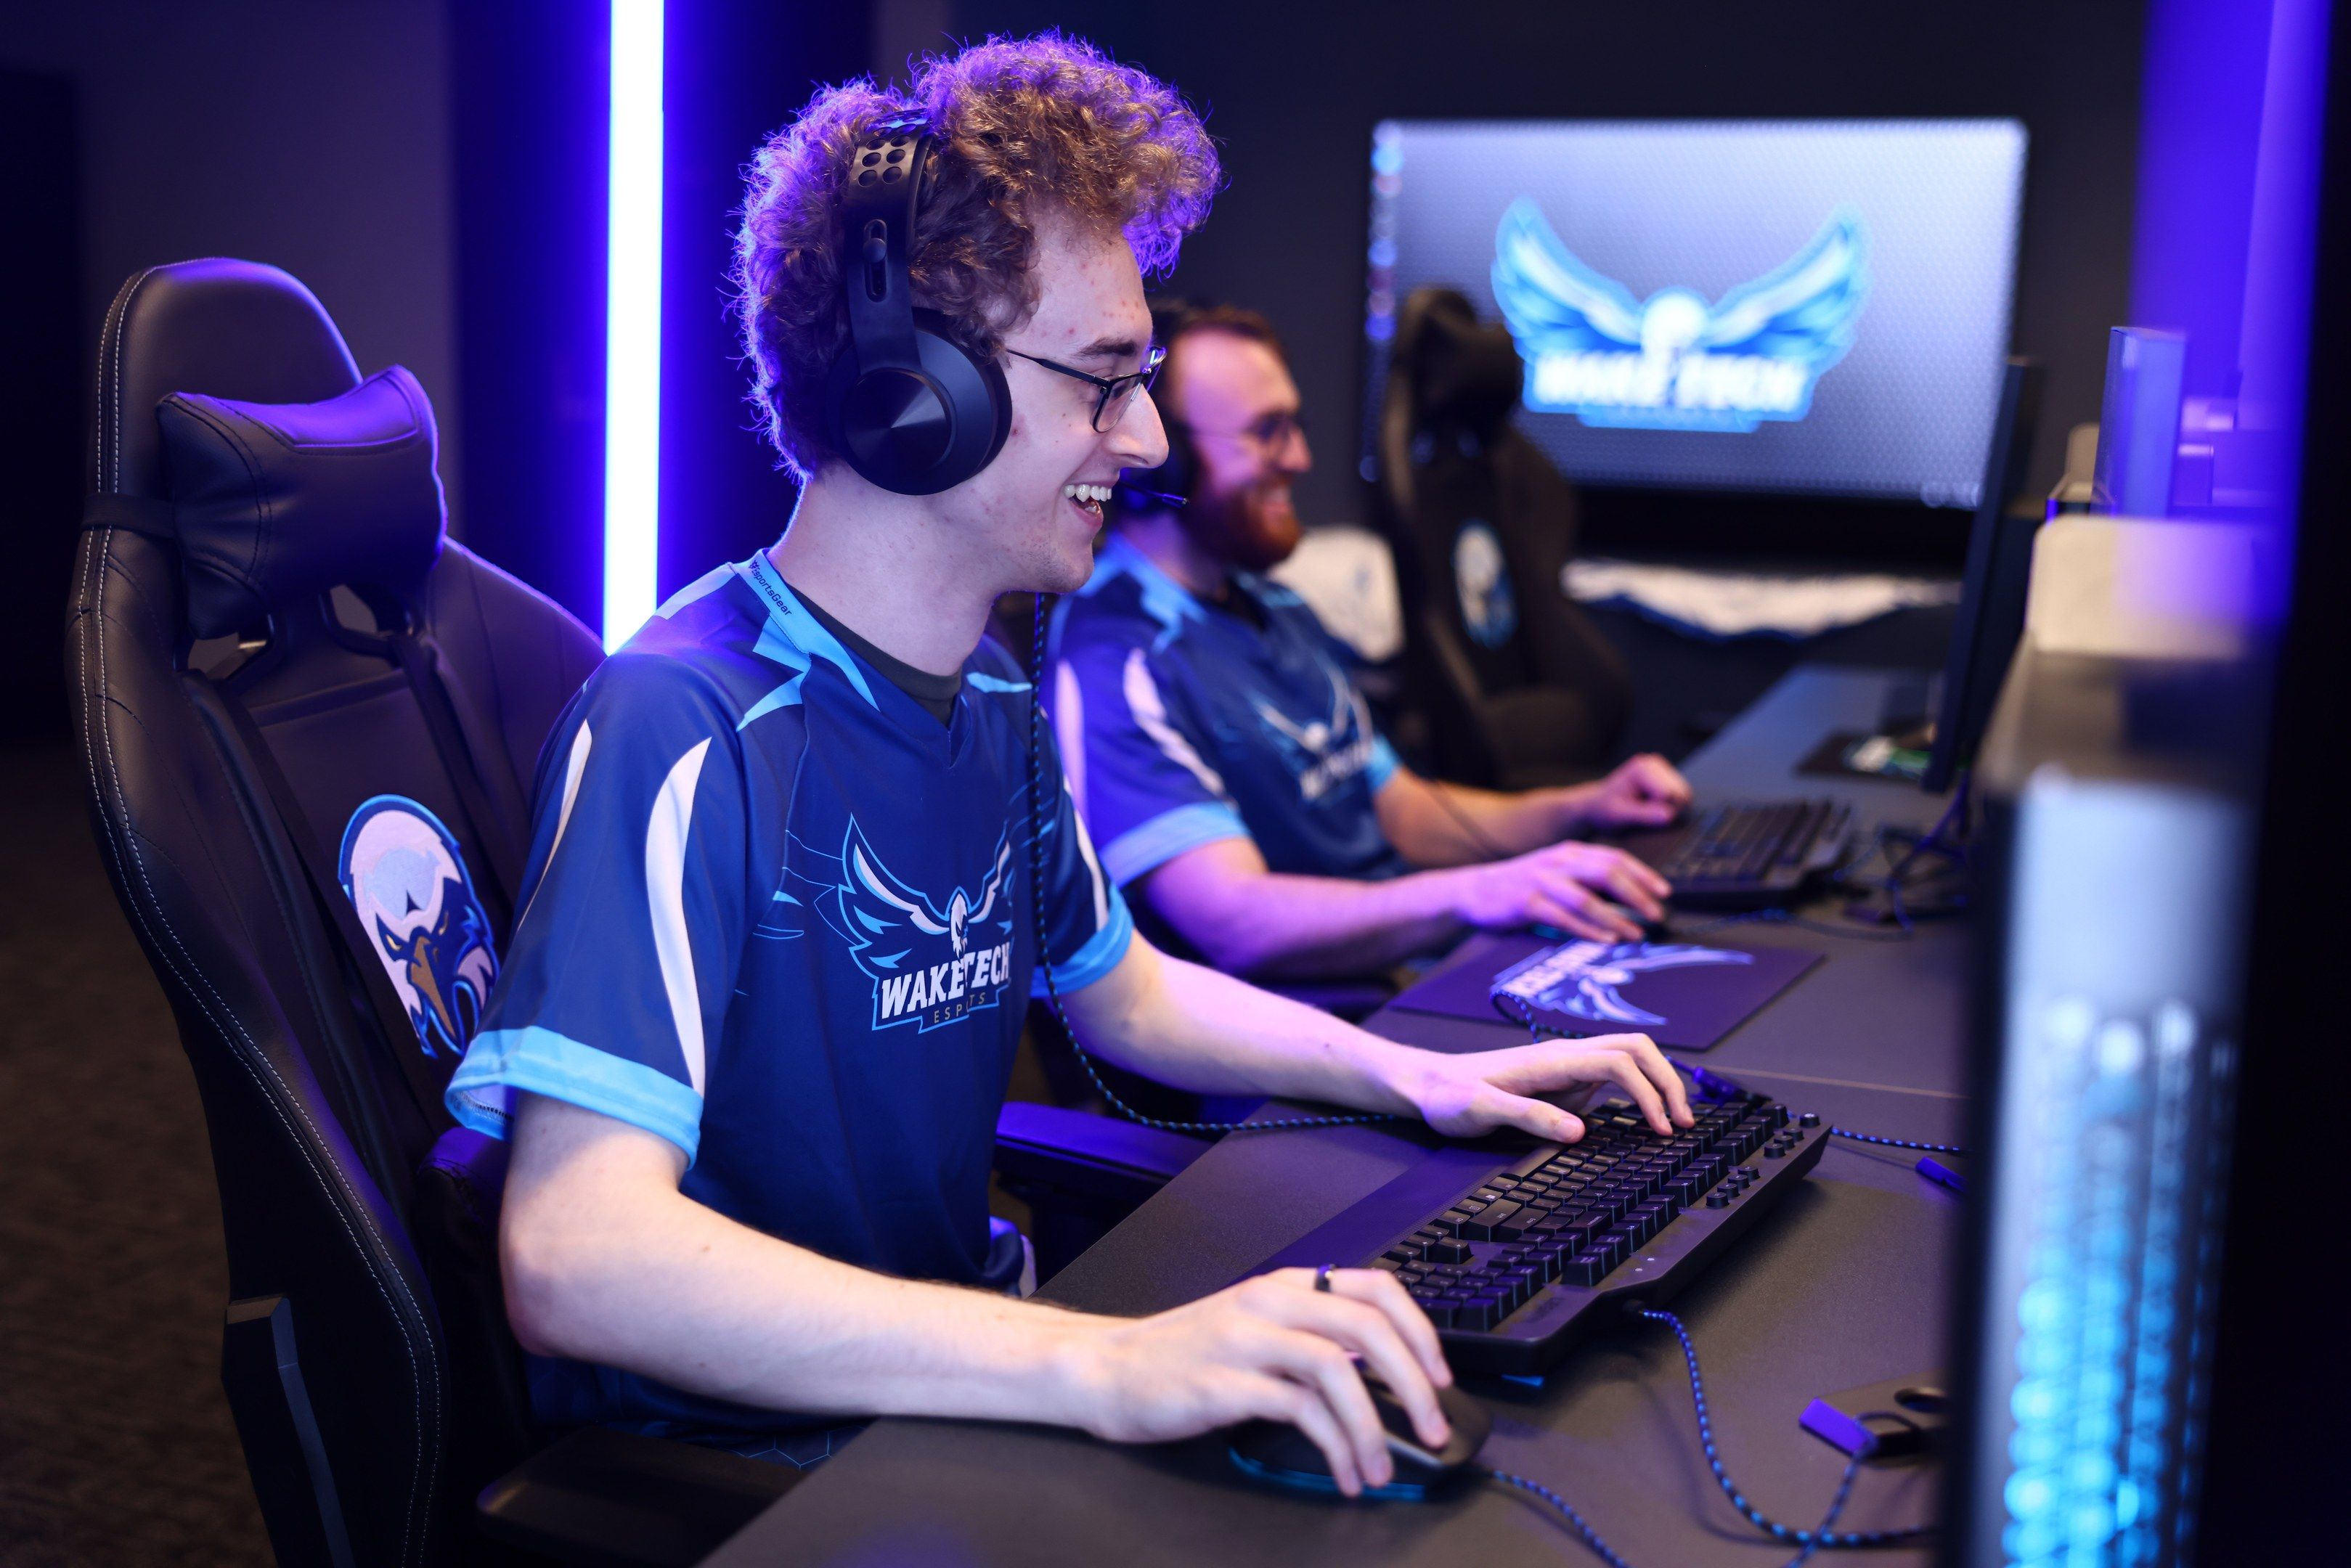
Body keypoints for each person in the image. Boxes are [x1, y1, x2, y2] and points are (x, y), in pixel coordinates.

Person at [445, 36, 1691, 1494]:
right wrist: (1103, 1362)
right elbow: (574, 1258)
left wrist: (1419, 1080)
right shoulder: (683, 723)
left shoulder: (986, 689)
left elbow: (1126, 990)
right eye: (1103, 383)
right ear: (911, 398)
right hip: (761, 1467)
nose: (1149, 438)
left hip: (953, 1374)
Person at [1048, 303, 1695, 982]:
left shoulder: (1274, 606)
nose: (1300, 459)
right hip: (1292, 1040)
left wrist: (1585, 807)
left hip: (1396, 981)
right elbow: (1237, 923)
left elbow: (1403, 813)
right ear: (1163, 461)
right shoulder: (1113, 659)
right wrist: (1477, 895)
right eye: (1268, 433)